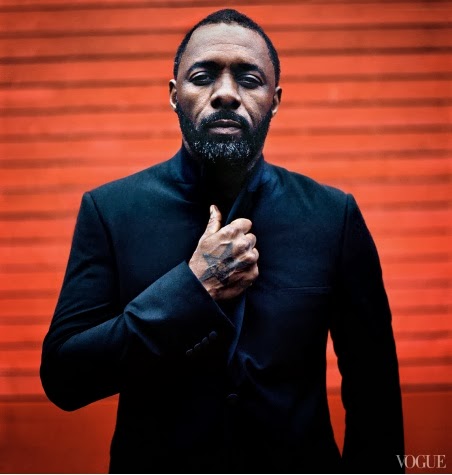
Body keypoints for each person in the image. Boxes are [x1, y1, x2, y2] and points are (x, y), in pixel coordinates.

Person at [40, 9, 404, 474]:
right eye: (203, 76)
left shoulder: (334, 216)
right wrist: (191, 289)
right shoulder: (110, 210)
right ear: (174, 95)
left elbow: (374, 393)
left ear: (274, 100)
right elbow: (65, 378)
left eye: (249, 80)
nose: (226, 93)